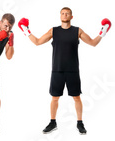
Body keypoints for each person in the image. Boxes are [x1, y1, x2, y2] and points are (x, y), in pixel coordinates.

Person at [18, 7, 111, 135]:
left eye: (67, 13)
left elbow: (93, 43)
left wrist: (103, 31)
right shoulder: (54, 31)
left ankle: (80, 123)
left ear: (71, 17)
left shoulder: (77, 31)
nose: (65, 15)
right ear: (60, 16)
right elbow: (38, 42)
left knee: (76, 97)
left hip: (73, 71)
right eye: (62, 13)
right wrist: (26, 30)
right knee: (54, 98)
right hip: (57, 70)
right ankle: (52, 122)